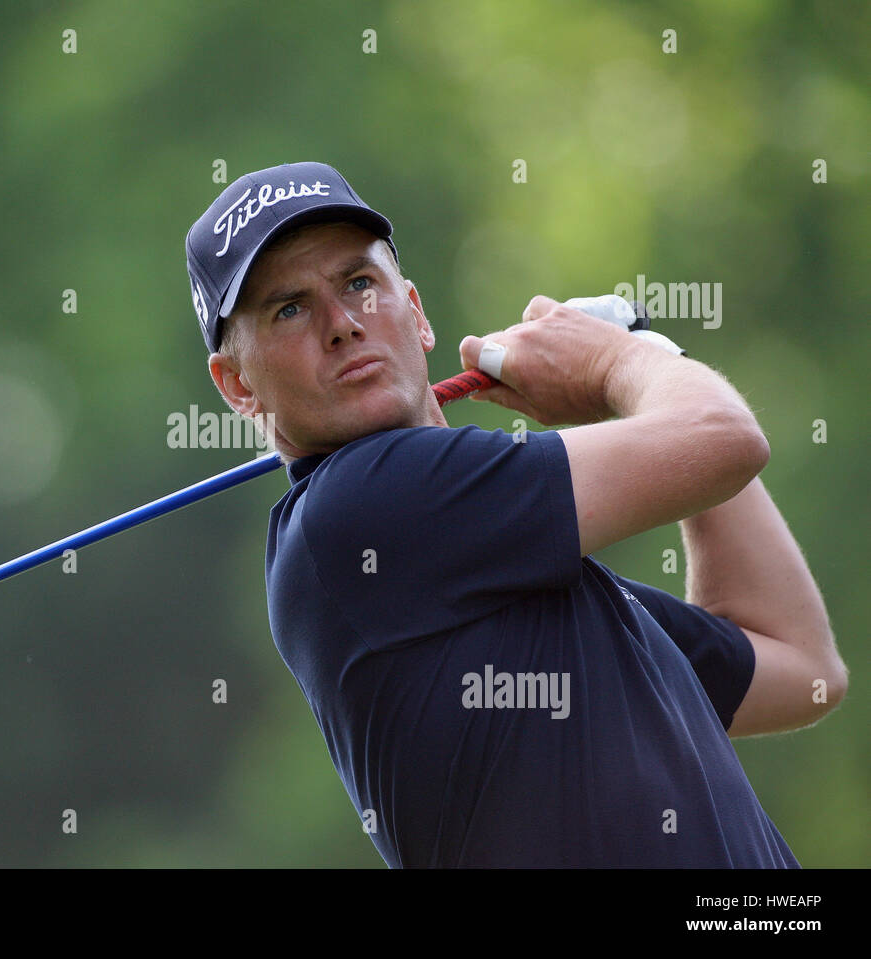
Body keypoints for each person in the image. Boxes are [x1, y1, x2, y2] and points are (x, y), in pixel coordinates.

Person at [183, 161, 848, 867]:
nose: (342, 324)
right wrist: (623, 364)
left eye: (359, 283)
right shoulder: (359, 505)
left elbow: (799, 666)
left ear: (416, 311)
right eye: (289, 307)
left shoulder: (513, 559)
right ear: (236, 385)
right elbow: (725, 439)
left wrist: (646, 360)